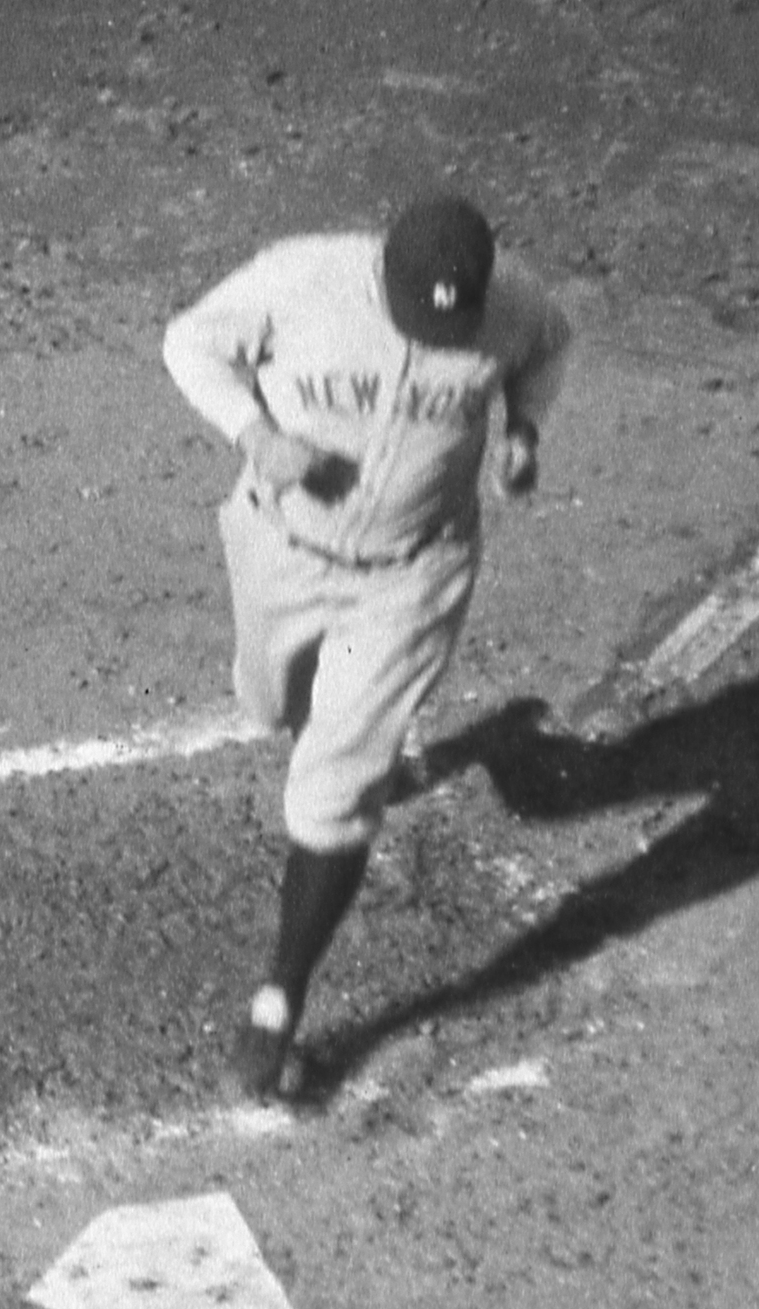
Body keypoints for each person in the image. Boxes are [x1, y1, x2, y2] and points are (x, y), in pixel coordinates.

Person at [162, 191, 573, 1099]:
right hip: (281, 547)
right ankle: (383, 734)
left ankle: (279, 1000)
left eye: (456, 314)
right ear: (382, 271)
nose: (435, 331)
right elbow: (188, 343)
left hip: (411, 575)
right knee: (270, 705)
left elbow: (547, 349)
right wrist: (257, 433)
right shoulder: (300, 277)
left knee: (333, 787)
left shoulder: (514, 304)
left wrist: (524, 430)